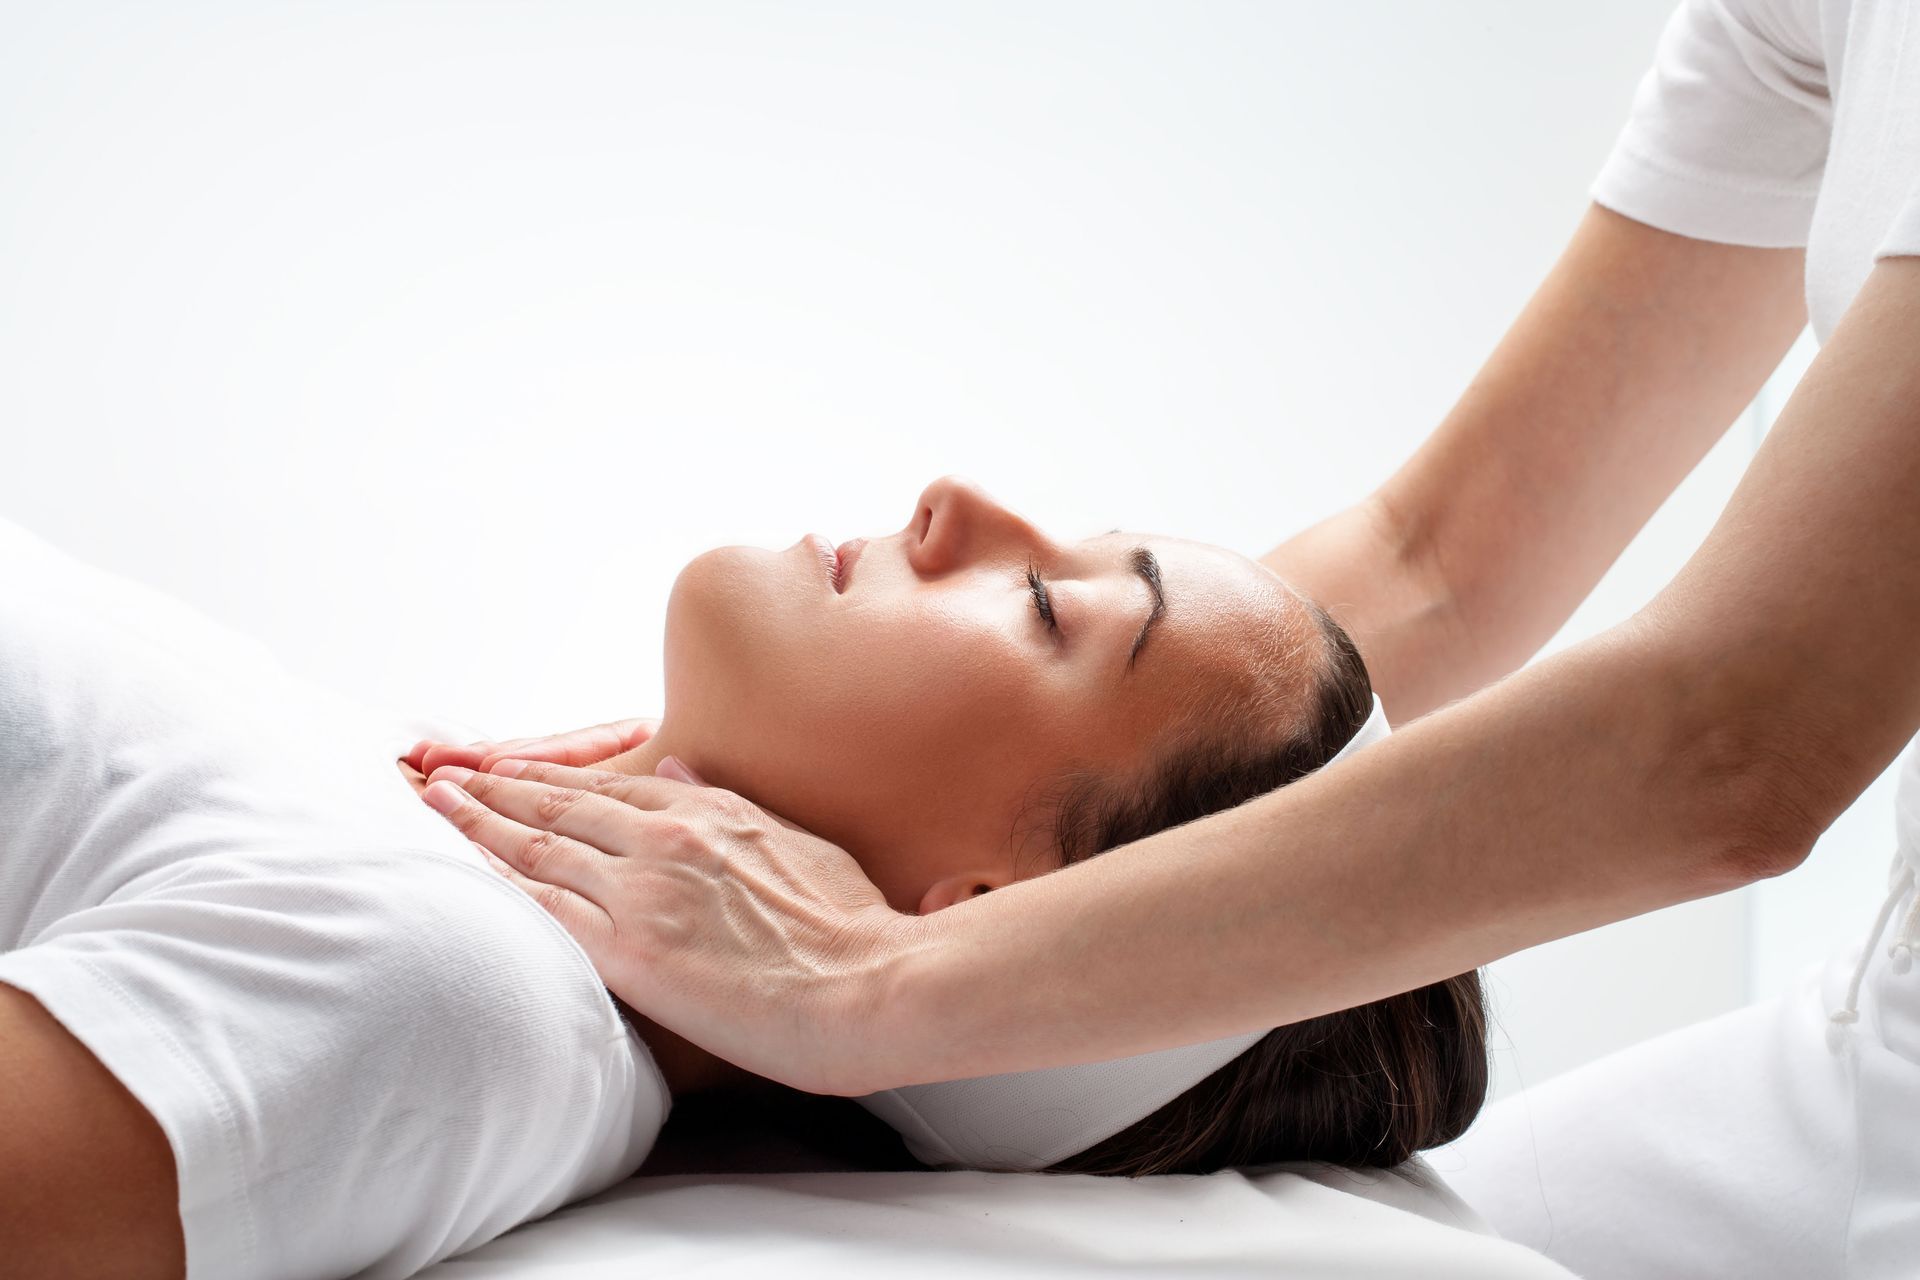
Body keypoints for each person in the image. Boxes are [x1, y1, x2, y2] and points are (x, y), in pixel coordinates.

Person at [417, 2, 1920, 1275]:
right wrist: (742, 768)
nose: (953, 496)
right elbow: (1433, 567)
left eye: (1043, 600)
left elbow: (1740, 738)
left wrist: (859, 986)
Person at [0, 481, 1488, 1277]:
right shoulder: (444, 845)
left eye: (1045, 607)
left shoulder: (445, 994)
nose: (951, 501)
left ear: (970, 921)